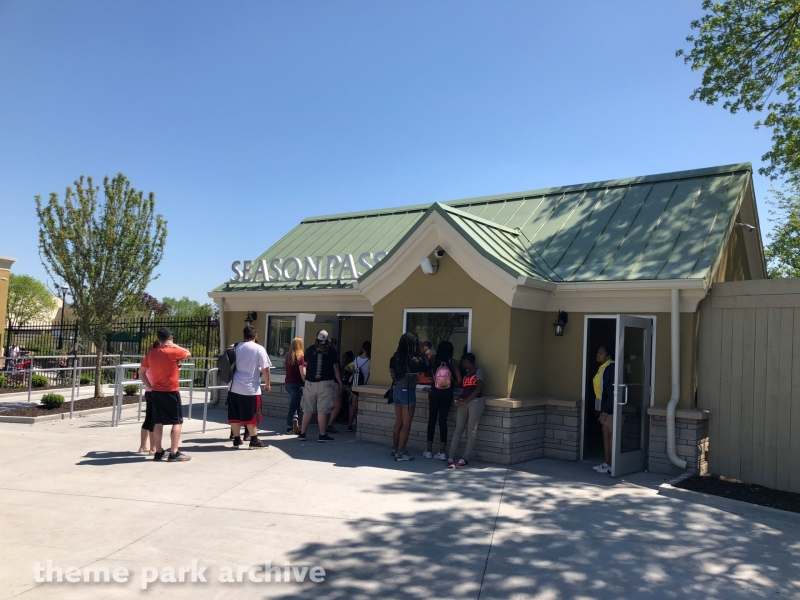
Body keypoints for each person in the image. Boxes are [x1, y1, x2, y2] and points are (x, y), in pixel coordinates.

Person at [138, 327, 192, 462]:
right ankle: (174, 452)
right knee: (177, 421)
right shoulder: (174, 351)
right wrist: (173, 344)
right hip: (171, 391)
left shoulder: (151, 354)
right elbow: (188, 353)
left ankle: (159, 451)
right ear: (170, 338)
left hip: (156, 392)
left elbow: (141, 371)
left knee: (158, 422)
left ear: (158, 339)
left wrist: (149, 386)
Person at [227, 325, 271, 449]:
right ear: (255, 335)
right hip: (250, 388)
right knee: (251, 415)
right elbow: (266, 368)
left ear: (244, 335)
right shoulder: (258, 349)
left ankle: (236, 439)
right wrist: (267, 383)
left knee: (234, 414)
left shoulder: (234, 347)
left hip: (233, 386)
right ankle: (254, 440)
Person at [390, 332, 429, 461]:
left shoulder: (394, 359)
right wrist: (422, 351)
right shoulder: (412, 361)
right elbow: (427, 367)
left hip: (396, 391)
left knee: (399, 421)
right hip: (407, 392)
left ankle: (395, 448)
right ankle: (401, 453)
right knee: (406, 424)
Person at [298, 330, 342, 442]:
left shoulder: (309, 349)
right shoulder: (332, 351)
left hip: (310, 382)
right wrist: (340, 382)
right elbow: (335, 367)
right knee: (322, 410)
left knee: (307, 409)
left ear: (316, 338)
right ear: (327, 340)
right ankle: (322, 435)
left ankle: (302, 434)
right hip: (326, 383)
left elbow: (305, 364)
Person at [424, 340, 461, 460]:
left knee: (432, 420)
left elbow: (427, 373)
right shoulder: (453, 362)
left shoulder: (434, 359)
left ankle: (429, 450)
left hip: (435, 392)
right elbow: (460, 381)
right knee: (443, 421)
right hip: (447, 394)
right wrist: (451, 382)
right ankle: (442, 451)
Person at [447, 352, 484, 469]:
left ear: (467, 361)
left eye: (463, 361)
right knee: (458, 429)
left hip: (475, 402)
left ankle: (465, 458)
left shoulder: (478, 372)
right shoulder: (467, 374)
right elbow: (467, 388)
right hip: (464, 401)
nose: (462, 364)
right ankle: (451, 456)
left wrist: (466, 400)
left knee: (471, 430)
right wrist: (461, 397)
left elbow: (478, 389)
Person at [593, 345, 615, 474]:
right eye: (598, 352)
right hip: (603, 407)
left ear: (608, 355)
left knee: (610, 435)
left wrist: (606, 410)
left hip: (610, 408)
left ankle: (613, 464)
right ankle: (607, 463)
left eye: (601, 352)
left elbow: (611, 390)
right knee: (605, 435)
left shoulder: (610, 367)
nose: (598, 354)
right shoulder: (602, 368)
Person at [345, 341, 371, 432]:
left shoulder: (356, 359)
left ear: (362, 349)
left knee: (354, 406)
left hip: (356, 384)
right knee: (364, 406)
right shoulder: (370, 361)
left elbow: (346, 367)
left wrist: (354, 372)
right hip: (366, 385)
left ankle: (350, 425)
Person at [327, 351, 353, 433]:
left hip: (325, 383)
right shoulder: (333, 355)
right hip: (335, 383)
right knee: (337, 405)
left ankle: (325, 424)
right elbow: (336, 370)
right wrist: (340, 382)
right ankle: (329, 425)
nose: (343, 358)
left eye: (345, 357)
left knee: (329, 404)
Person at [136, 345, 156, 456]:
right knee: (154, 420)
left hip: (148, 391)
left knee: (148, 419)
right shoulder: (156, 362)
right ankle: (153, 448)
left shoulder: (147, 361)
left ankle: (143, 446)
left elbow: (142, 372)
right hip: (155, 391)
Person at [284, 337, 306, 435]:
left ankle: (294, 422)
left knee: (295, 403)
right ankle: (291, 425)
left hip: (288, 383)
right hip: (298, 384)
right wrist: (305, 381)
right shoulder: (301, 357)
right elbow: (303, 372)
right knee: (294, 405)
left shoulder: (288, 356)